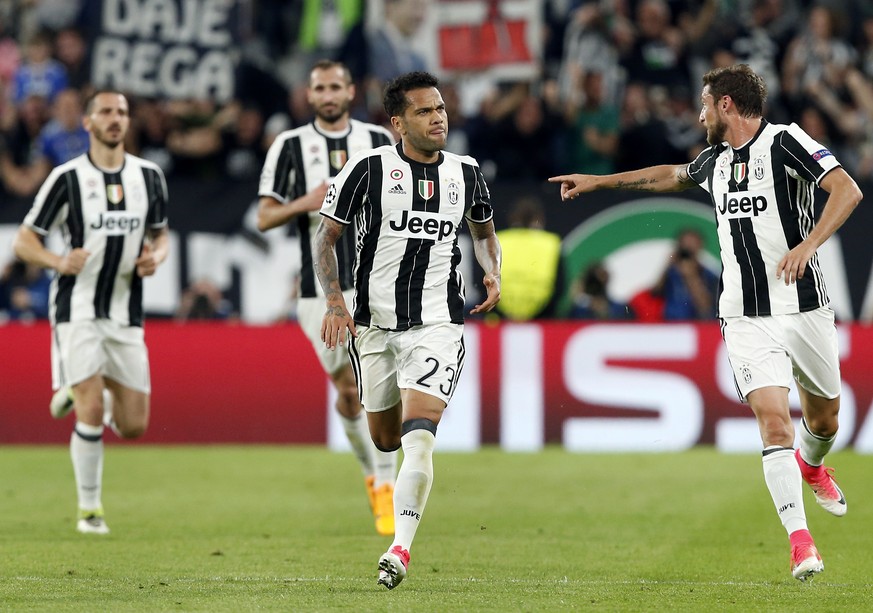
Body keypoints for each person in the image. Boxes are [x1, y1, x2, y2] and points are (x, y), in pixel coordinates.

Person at [550, 63, 863, 581]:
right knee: (773, 421)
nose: (699, 116)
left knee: (825, 419)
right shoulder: (713, 162)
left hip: (804, 305)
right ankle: (801, 542)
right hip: (743, 312)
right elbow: (666, 175)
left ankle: (812, 464)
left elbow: (847, 190)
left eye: (703, 105)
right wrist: (599, 182)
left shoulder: (785, 142)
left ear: (726, 105)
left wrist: (808, 245)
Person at [313, 71, 501, 589]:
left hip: (438, 322)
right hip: (373, 326)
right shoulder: (367, 168)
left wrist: (492, 268)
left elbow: (484, 231)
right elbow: (326, 238)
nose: (437, 117)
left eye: (440, 108)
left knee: (420, 437)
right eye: (423, 111)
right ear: (398, 123)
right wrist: (334, 299)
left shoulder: (465, 172)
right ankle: (391, 492)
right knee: (386, 436)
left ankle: (400, 548)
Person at [12, 90, 170, 535]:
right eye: (106, 112)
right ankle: (89, 510)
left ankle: (76, 392)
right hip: (76, 307)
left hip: (125, 312)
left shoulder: (150, 177)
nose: (116, 119)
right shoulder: (67, 178)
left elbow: (161, 235)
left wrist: (156, 256)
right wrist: (59, 262)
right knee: (89, 405)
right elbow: (25, 240)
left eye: (122, 112)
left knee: (134, 425)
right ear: (88, 122)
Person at [256, 59, 398, 536]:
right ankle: (371, 472)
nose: (329, 93)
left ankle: (386, 484)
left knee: (374, 386)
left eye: (337, 85)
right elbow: (264, 217)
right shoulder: (289, 146)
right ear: (309, 95)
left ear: (351, 90)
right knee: (347, 390)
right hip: (318, 288)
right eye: (320, 87)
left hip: (376, 283)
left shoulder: (379, 142)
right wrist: (305, 201)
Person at [495, 196, 564, 321]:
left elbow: (484, 280)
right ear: (540, 219)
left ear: (512, 218)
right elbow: (560, 286)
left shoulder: (498, 241)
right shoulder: (551, 243)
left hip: (500, 319)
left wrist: (501, 314)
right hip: (543, 319)